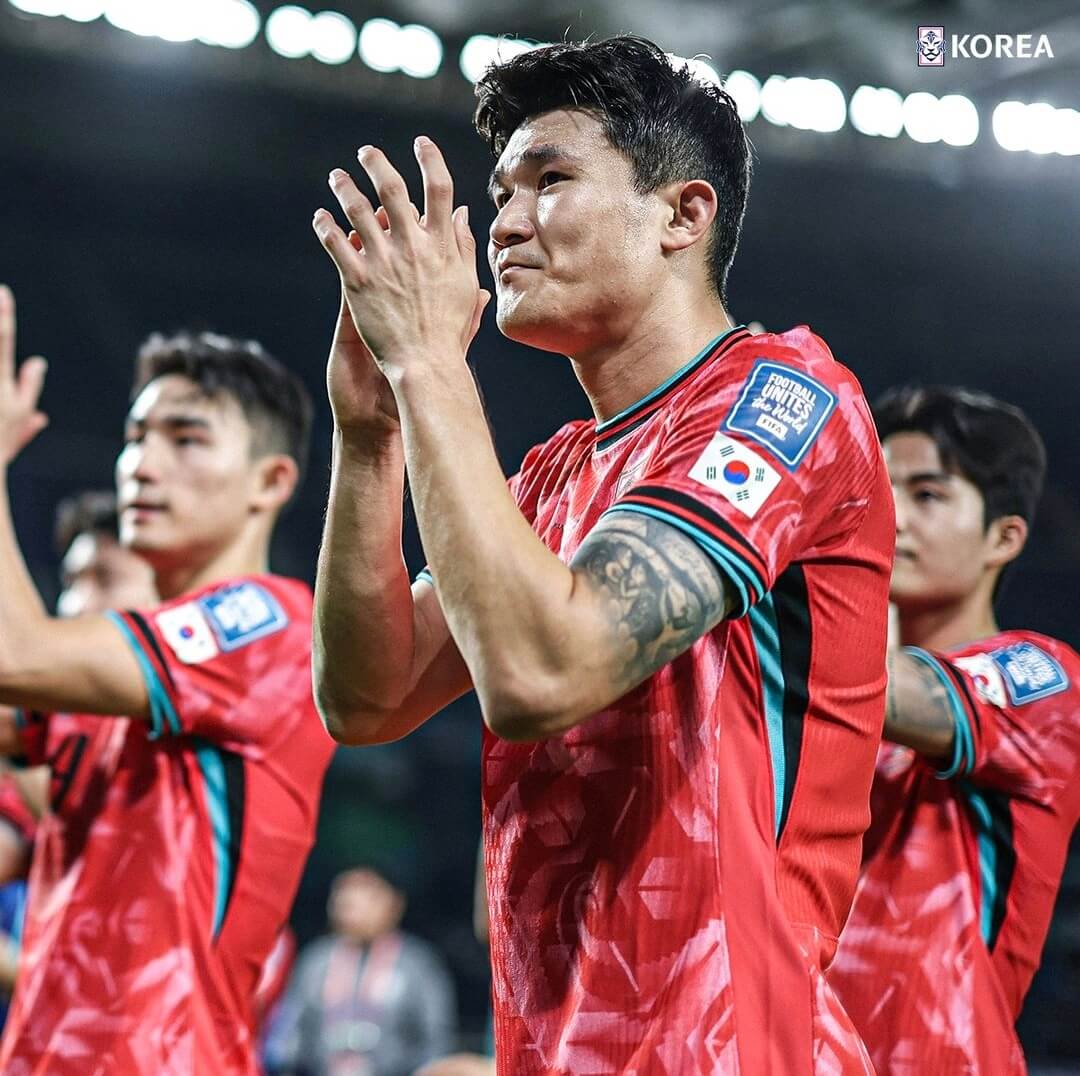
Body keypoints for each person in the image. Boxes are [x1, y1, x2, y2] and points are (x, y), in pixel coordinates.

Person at [310, 35, 893, 1074]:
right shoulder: (547, 477)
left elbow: (543, 671)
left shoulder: (783, 398)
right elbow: (365, 696)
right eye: (501, 192)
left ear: (683, 215)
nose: (505, 221)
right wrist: (370, 435)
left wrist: (432, 366)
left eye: (552, 180)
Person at [0, 286, 336, 1074]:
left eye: (186, 439)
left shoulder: (268, 625)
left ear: (270, 482)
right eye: (136, 438)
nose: (141, 467)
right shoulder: (130, 669)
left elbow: (14, 656)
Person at [828, 386, 1080, 1075]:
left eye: (927, 495)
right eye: (879, 488)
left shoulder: (1045, 681)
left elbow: (875, 691)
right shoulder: (817, 689)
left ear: (1005, 537)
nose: (890, 513)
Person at [0, 488, 158, 1023]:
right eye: (71, 582)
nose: (76, 606)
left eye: (106, 580)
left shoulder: (194, 716)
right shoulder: (63, 722)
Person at [266, 866, 456, 1076]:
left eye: (369, 894)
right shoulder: (316, 962)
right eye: (344, 894)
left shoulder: (417, 964)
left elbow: (436, 1041)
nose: (353, 903)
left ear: (395, 904)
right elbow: (288, 1035)